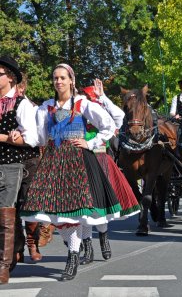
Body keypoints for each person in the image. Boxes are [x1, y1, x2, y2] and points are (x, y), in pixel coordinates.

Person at [20, 63, 122, 281]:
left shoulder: (82, 104)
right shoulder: (45, 107)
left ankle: (73, 256)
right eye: (55, 78)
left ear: (71, 80)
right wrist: (18, 136)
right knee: (52, 213)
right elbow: (38, 137)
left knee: (73, 213)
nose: (58, 81)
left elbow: (109, 125)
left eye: (63, 78)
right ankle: (74, 249)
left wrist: (90, 142)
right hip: (53, 161)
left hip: (77, 161)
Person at [78, 80, 140, 265]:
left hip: (99, 159)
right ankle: (87, 248)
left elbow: (119, 117)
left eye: (90, 97)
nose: (87, 99)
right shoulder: (76, 110)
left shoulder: (101, 111)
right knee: (83, 207)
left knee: (99, 205)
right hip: (79, 161)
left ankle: (104, 237)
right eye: (86, 97)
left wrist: (103, 97)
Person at [0, 55, 38, 284]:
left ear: (10, 78)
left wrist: (8, 136)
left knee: (5, 215)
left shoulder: (21, 104)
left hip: (10, 165)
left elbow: (32, 139)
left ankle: (3, 266)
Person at [10, 73, 43, 273]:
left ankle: (32, 242)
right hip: (8, 159)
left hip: (30, 158)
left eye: (20, 89)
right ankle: (17, 245)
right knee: (10, 206)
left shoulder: (30, 107)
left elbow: (37, 136)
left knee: (29, 203)